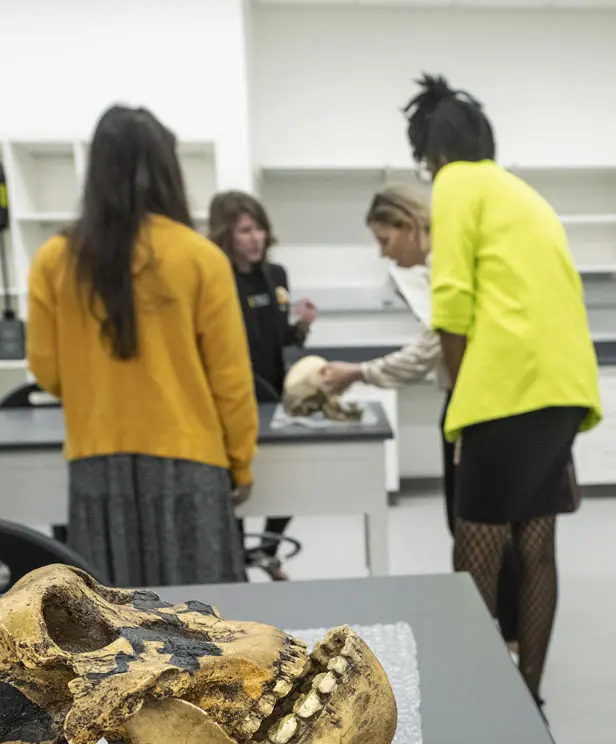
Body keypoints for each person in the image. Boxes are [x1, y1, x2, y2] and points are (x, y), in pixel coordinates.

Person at [404, 74, 602, 702]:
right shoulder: (522, 193)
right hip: (562, 387)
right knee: (536, 543)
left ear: (431, 153)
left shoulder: (456, 182)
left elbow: (453, 298)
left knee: (477, 549)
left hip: (508, 388)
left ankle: (479, 698)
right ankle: (528, 697)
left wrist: (465, 408)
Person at [27, 105, 258, 588]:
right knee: (204, 627)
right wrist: (240, 461)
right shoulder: (201, 257)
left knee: (107, 633)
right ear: (168, 170)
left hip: (95, 460)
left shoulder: (54, 259)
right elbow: (231, 379)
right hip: (191, 459)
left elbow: (46, 370)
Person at [322, 184, 520, 651]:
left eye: (385, 241)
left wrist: (359, 372)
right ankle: (494, 629)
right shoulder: (437, 269)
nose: (385, 254)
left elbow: (432, 349)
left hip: (477, 405)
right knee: (472, 522)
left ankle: (499, 635)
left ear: (408, 226)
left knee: (481, 525)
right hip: (468, 401)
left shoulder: (446, 268)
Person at [208, 190, 317, 581]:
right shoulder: (215, 279)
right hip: (230, 401)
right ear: (226, 234)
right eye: (245, 230)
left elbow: (282, 341)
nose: (256, 238)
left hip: (274, 399)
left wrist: (301, 326)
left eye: (259, 229)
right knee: (236, 490)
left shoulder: (276, 276)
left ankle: (266, 550)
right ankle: (238, 563)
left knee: (288, 479)